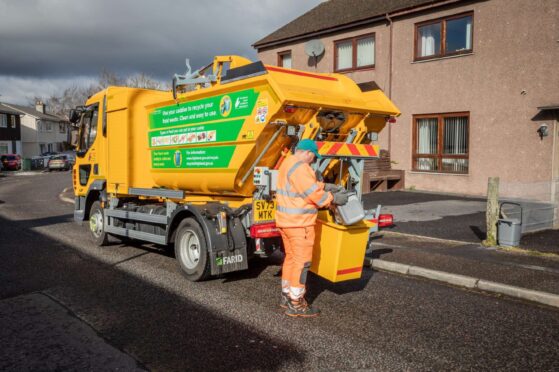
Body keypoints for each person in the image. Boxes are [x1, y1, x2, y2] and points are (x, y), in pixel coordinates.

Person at [275, 139, 348, 317]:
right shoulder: (300, 167)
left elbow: (303, 187)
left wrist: (325, 185)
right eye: (313, 157)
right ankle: (297, 303)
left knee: (291, 259)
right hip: (300, 224)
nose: (313, 160)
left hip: (286, 222)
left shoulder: (288, 163)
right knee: (302, 263)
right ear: (307, 153)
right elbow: (313, 195)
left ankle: (286, 296)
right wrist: (332, 198)